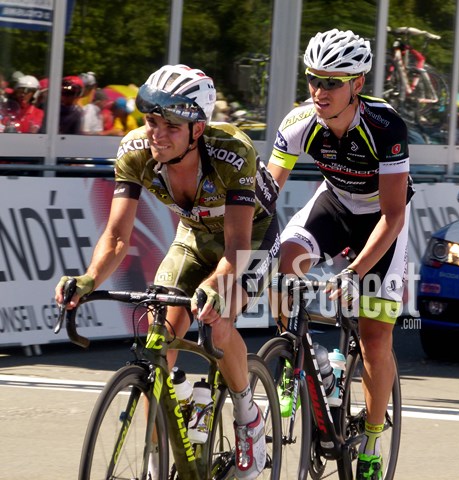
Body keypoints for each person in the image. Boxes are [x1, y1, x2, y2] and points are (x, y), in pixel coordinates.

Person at [54, 64, 280, 479]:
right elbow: (117, 237)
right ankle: (157, 455)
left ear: (198, 130)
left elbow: (235, 247)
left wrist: (214, 286)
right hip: (194, 236)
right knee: (160, 333)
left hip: (251, 237)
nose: (156, 134)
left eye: (171, 126)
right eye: (152, 121)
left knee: (218, 320)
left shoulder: (232, 152)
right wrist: (87, 280)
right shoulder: (135, 151)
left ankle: (248, 417)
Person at [267, 29, 412, 479]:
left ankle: (370, 441)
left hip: (381, 218)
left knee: (375, 338)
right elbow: (264, 197)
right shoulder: (299, 123)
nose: (319, 90)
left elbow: (393, 216)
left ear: (357, 84)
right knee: (282, 265)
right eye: (313, 79)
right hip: (334, 202)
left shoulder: (385, 127)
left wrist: (354, 271)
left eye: (332, 82)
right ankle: (300, 359)